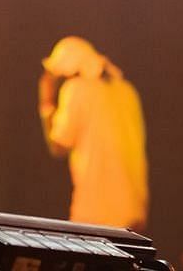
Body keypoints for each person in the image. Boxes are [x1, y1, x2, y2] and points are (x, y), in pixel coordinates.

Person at [39, 36, 148, 230]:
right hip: (133, 207)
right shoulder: (127, 91)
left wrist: (46, 103)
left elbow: (58, 146)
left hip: (96, 209)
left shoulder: (77, 89)